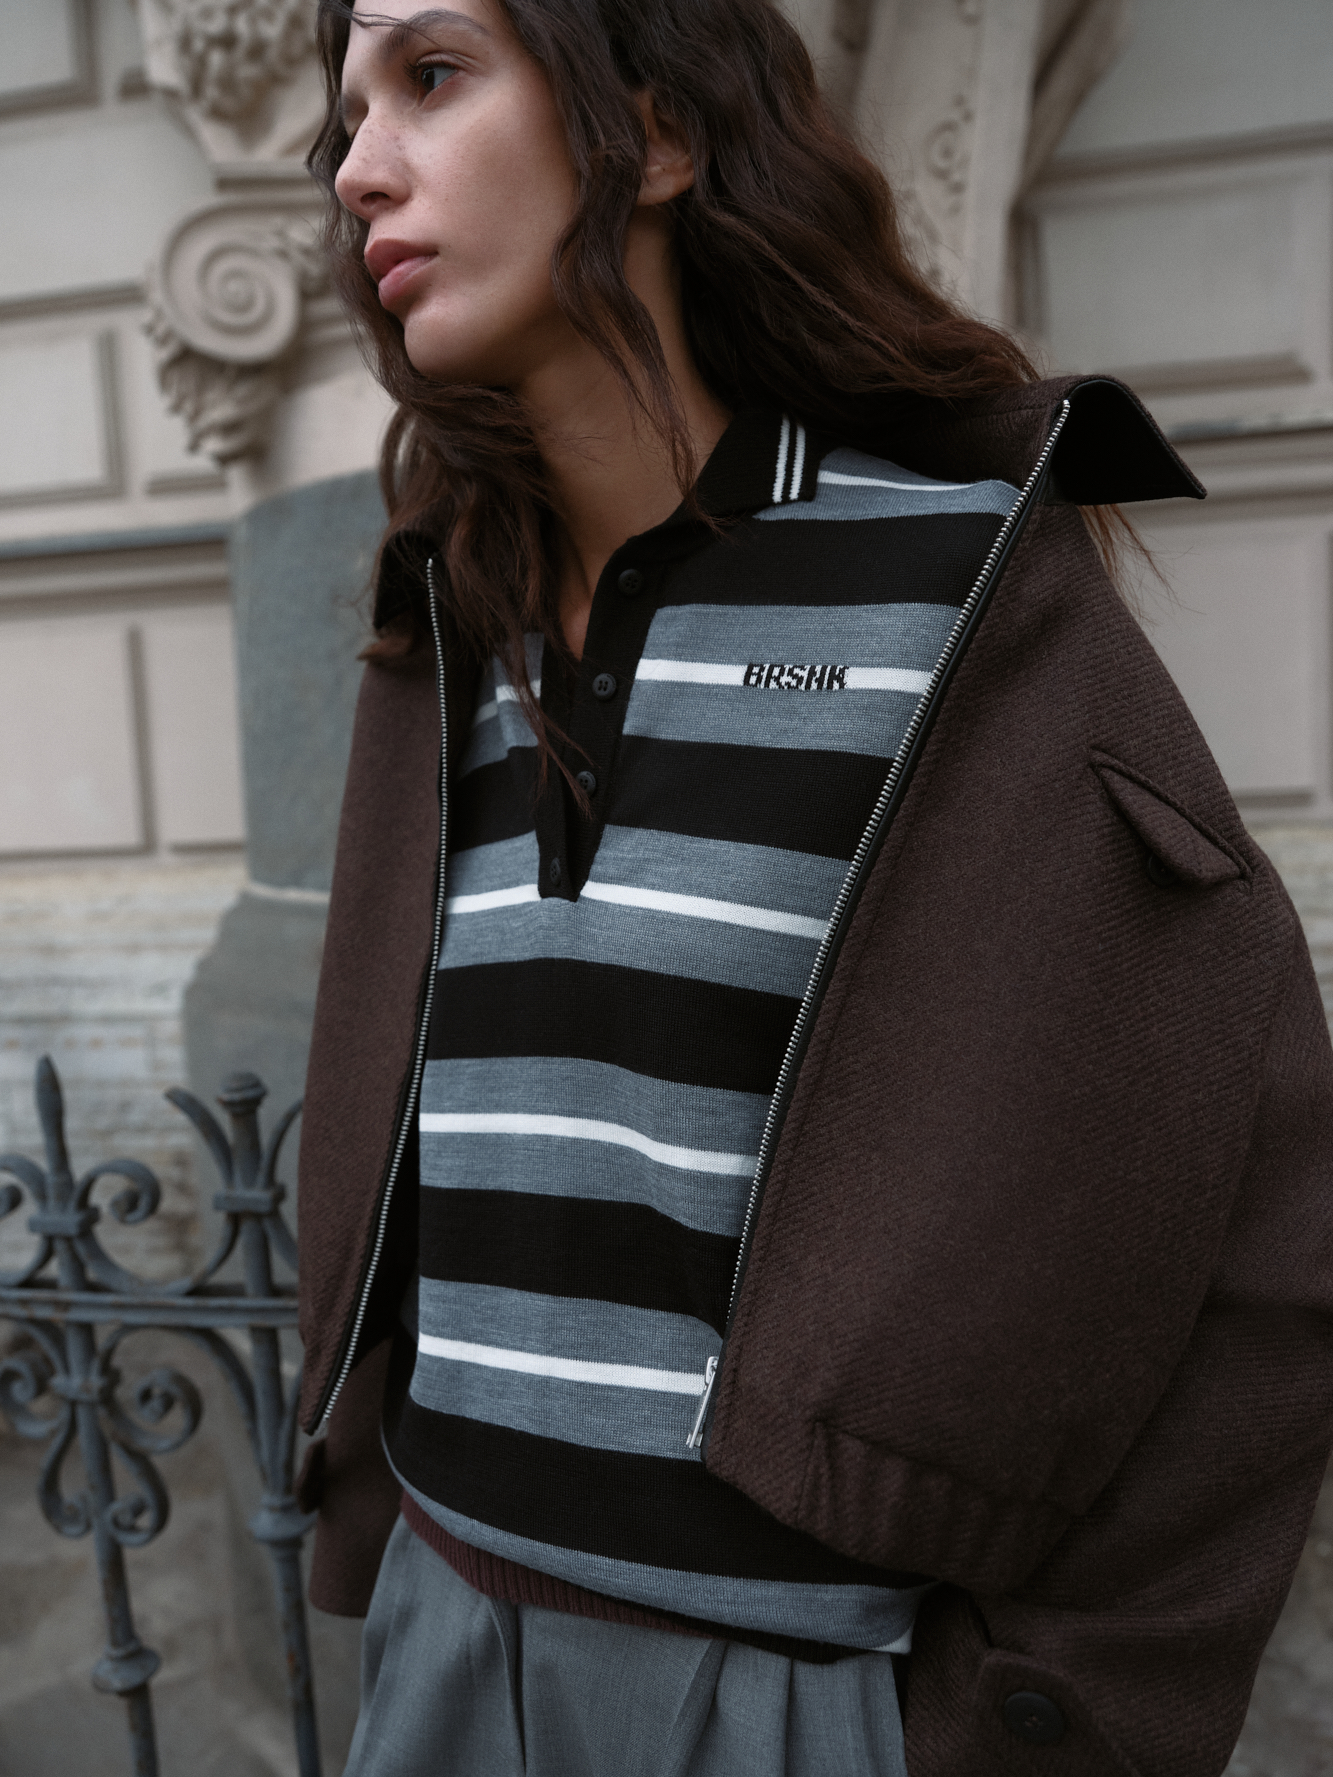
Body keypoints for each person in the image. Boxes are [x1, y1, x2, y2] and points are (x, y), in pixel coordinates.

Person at [292, 2, 1333, 1773]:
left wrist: (1032, 1717)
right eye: (344, 121)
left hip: (793, 1696)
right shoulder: (446, 626)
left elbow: (1247, 1189)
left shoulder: (945, 584)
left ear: (657, 131)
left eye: (433, 75)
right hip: (439, 1646)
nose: (358, 172)